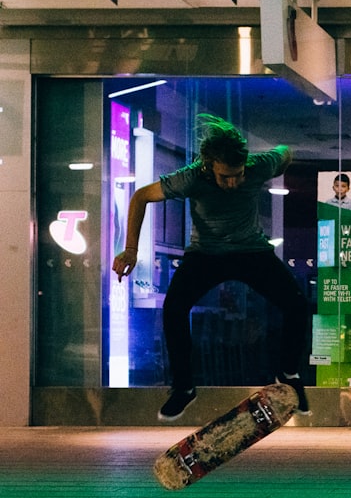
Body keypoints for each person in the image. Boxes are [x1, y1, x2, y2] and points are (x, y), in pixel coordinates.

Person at [112, 114, 310, 421]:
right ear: (209, 167)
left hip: (252, 252)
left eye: (237, 176)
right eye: (224, 177)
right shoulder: (192, 177)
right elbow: (140, 197)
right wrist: (131, 249)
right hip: (205, 254)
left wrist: (283, 164)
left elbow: (285, 150)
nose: (232, 183)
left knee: (297, 305)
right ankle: (184, 387)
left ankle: (287, 372)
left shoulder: (258, 166)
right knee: (174, 309)